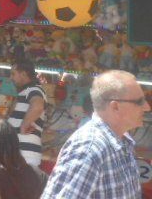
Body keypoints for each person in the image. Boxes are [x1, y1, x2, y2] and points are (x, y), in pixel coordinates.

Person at [42, 70, 149, 199]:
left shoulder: (122, 143)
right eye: (139, 101)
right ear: (115, 106)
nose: (147, 107)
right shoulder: (89, 149)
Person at [7, 60, 46, 166]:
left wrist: (24, 126)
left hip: (25, 156)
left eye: (13, 74)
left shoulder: (33, 89)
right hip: (21, 155)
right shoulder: (26, 92)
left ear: (23, 74)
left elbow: (37, 106)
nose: (11, 78)